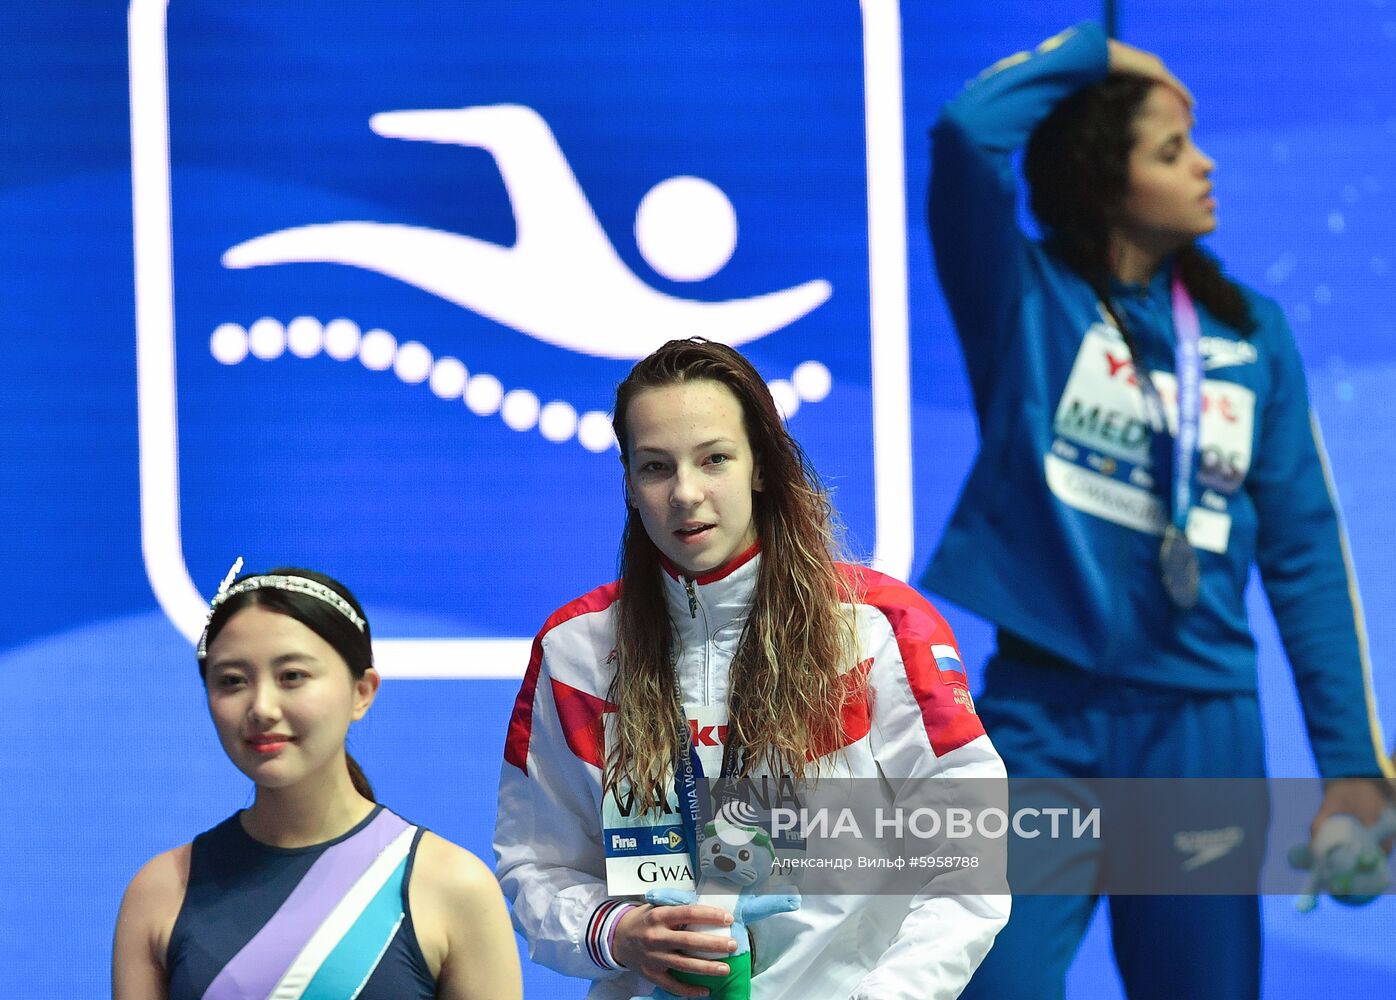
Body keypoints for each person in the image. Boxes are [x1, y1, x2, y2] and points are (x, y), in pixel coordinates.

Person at [921, 20, 1395, 1000]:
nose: (1206, 165)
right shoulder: (1023, 299)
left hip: (1200, 730)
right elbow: (967, 133)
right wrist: (1103, 57)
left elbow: (1304, 550)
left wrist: (1349, 761)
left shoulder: (1248, 332)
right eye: (1172, 148)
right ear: (1106, 180)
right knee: (990, 986)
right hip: (1043, 721)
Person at [495, 338, 1008, 999]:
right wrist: (617, 931)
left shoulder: (877, 629)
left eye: (714, 459)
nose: (685, 493)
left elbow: (970, 862)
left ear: (760, 465)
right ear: (627, 482)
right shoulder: (576, 653)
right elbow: (537, 865)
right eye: (655, 467)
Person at [112, 564, 522, 1000]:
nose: (262, 708)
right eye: (232, 681)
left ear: (362, 692)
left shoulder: (452, 886)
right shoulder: (159, 892)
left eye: (292, 676)